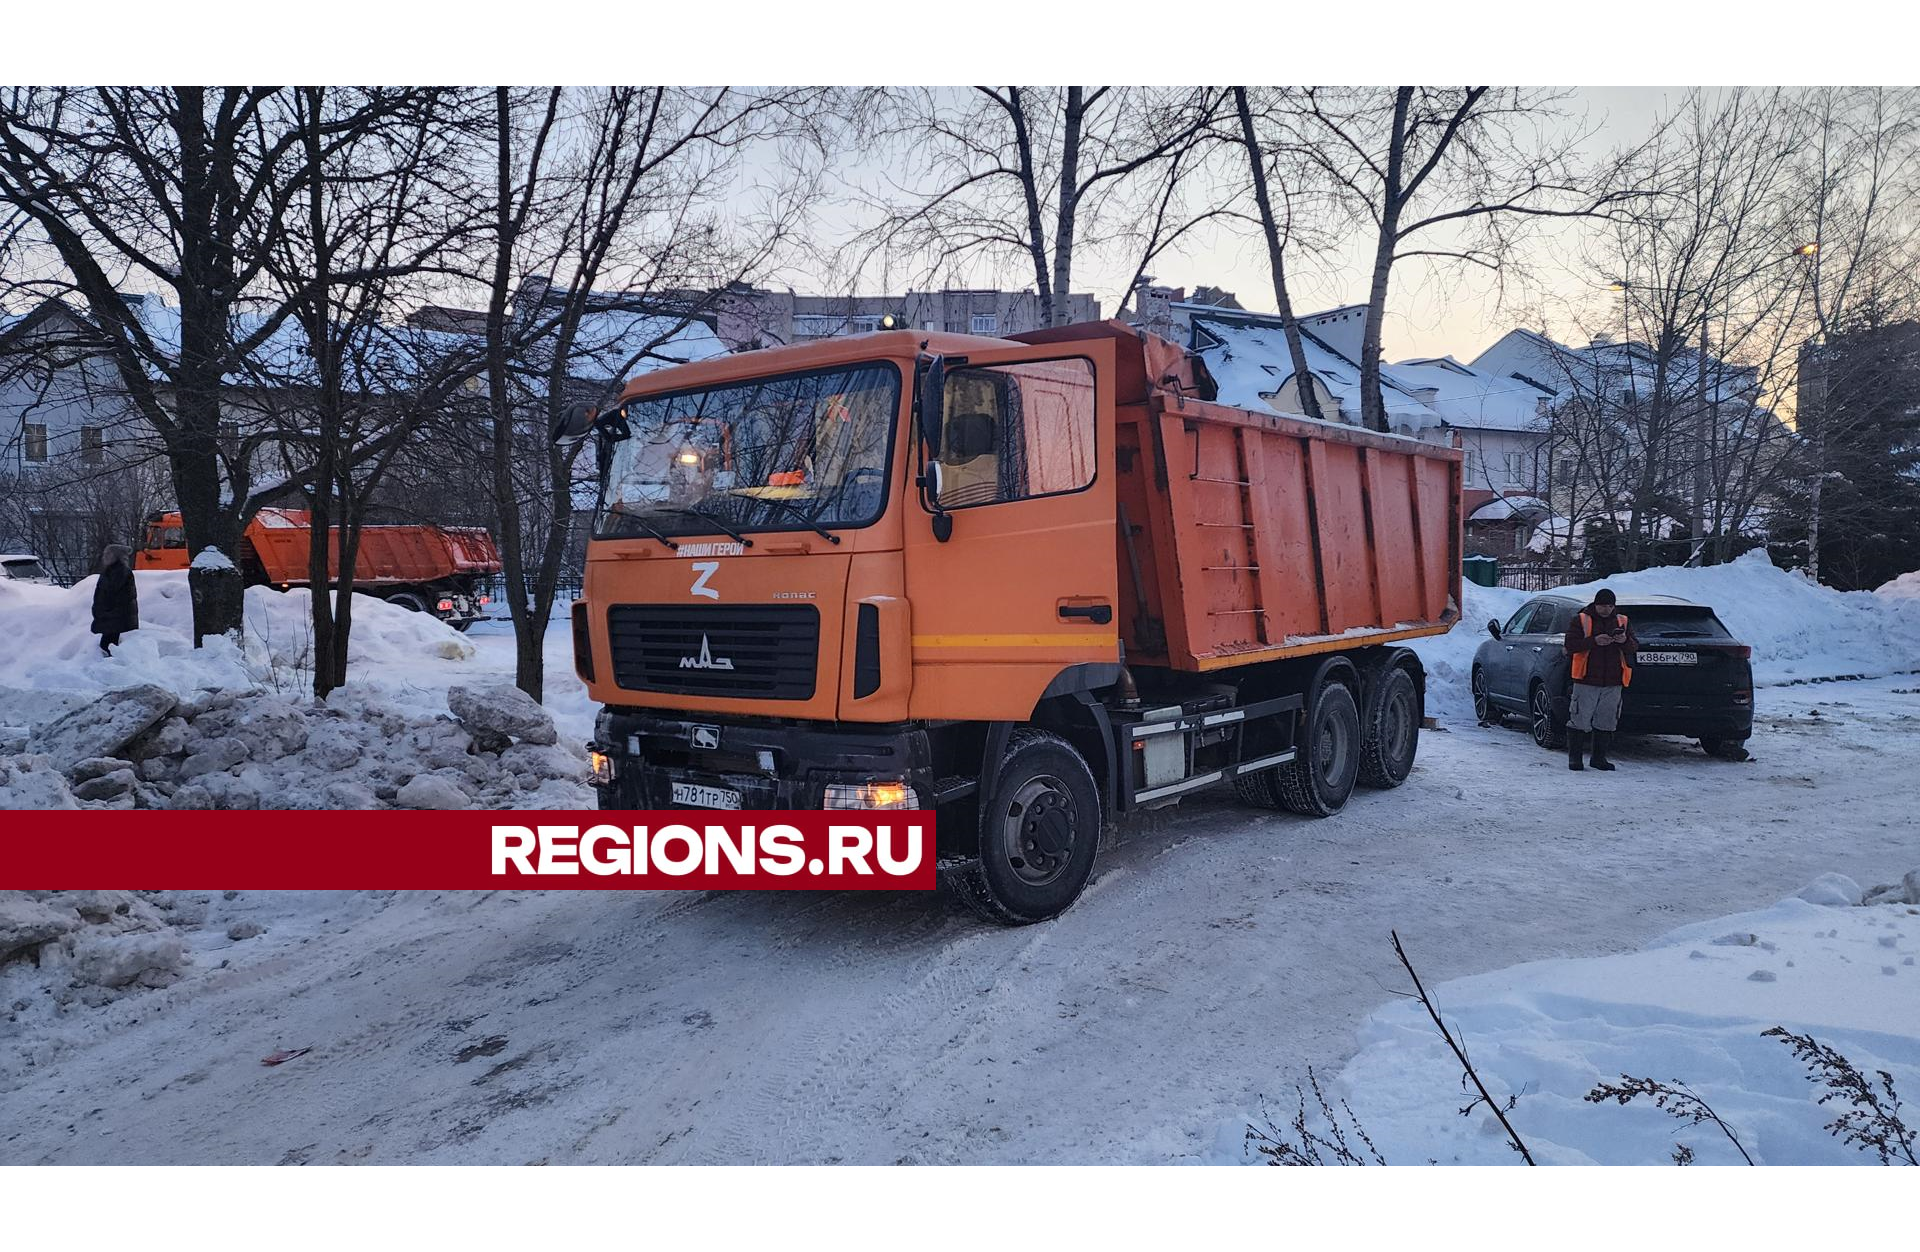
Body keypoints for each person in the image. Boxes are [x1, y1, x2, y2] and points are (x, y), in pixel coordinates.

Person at [1563, 586, 1636, 771]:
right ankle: (1575, 759)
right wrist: (1594, 641)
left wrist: (1623, 641)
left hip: (1613, 680)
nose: (1606, 610)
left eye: (1610, 606)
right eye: (1603, 606)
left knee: (1607, 720)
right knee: (1579, 719)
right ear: (1595, 604)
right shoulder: (1580, 620)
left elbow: (1634, 646)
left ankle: (1598, 758)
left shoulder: (1623, 621)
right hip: (1586, 678)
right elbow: (1570, 645)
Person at [91, 543, 139, 657]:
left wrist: (104, 611)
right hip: (112, 618)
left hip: (115, 618)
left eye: (108, 554)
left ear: (116, 556)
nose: (105, 557)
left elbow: (111, 591)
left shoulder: (120, 571)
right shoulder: (111, 570)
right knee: (106, 647)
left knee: (108, 648)